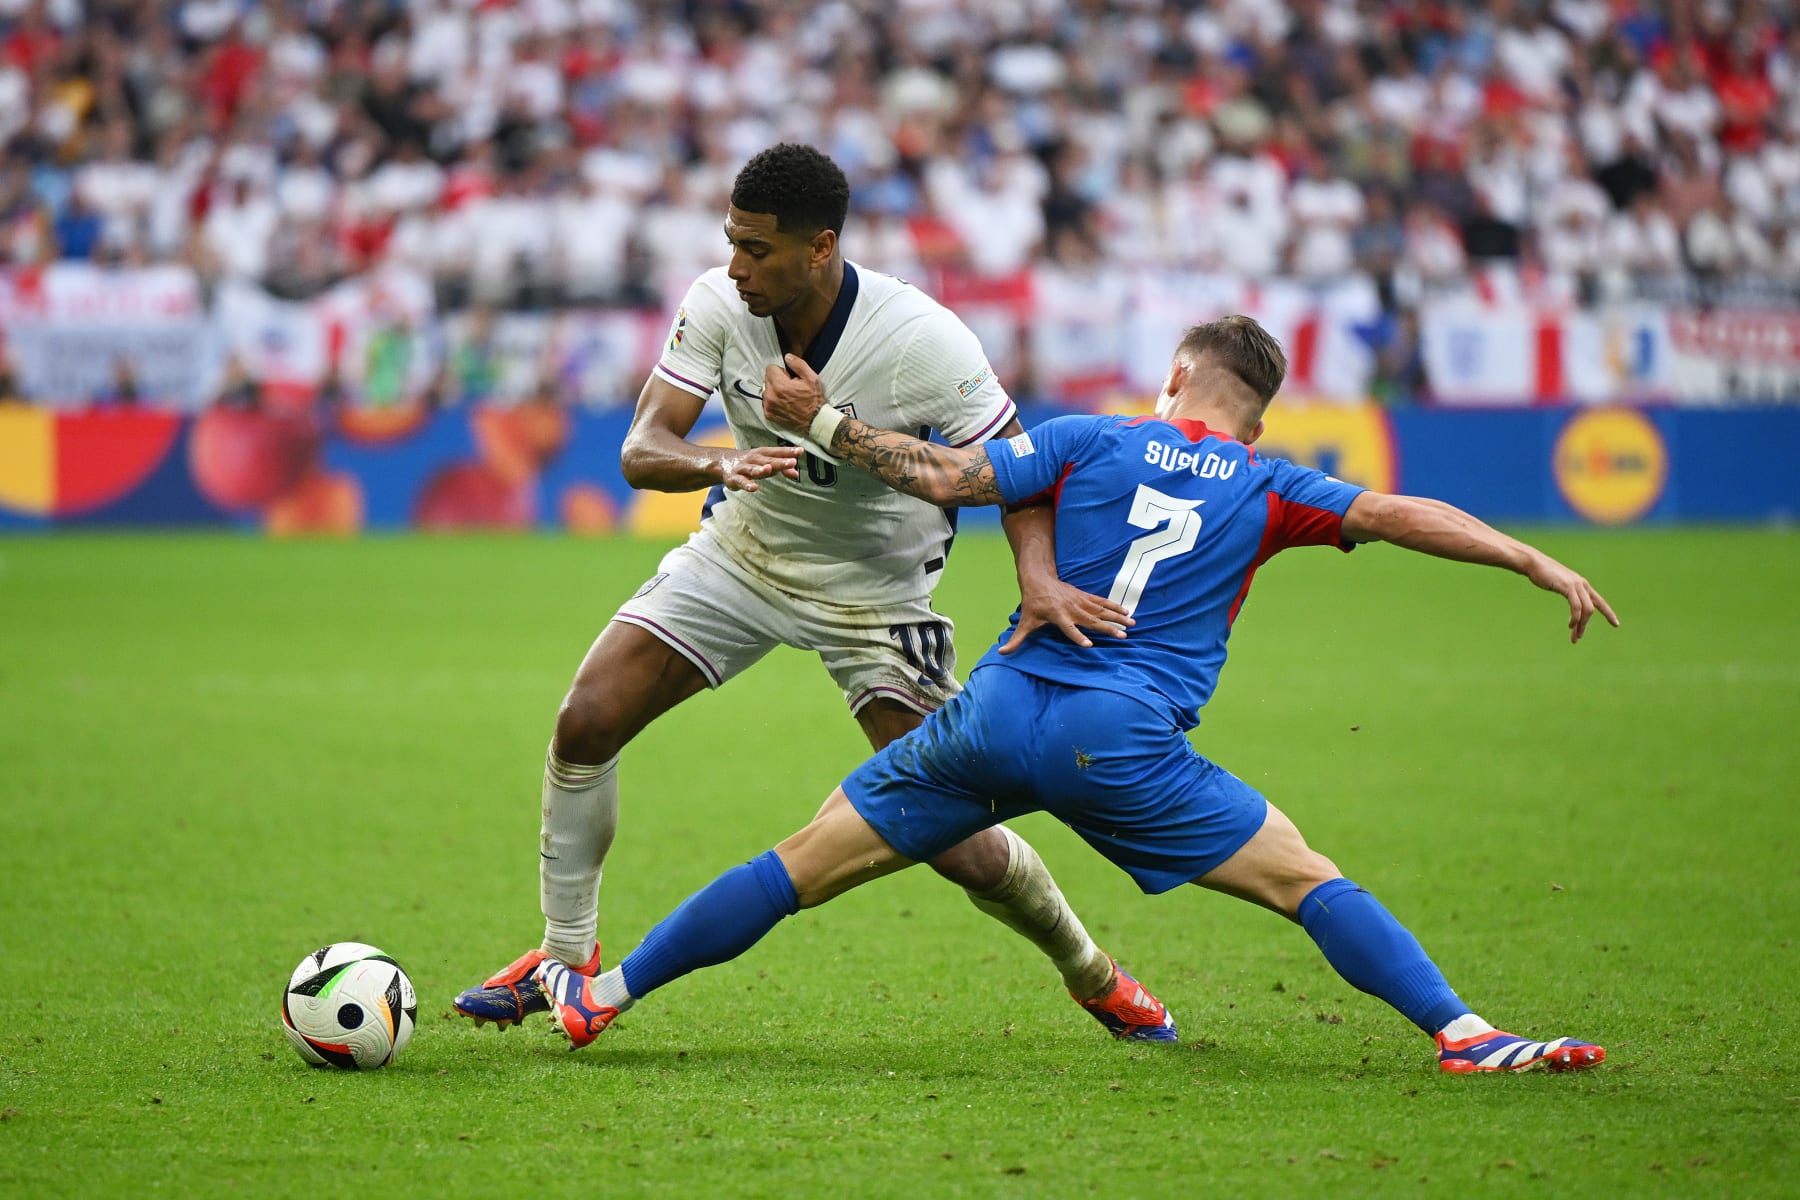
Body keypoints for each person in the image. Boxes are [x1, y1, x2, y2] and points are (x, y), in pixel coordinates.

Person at [534, 315, 1619, 1074]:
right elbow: (1395, 514)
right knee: (1304, 880)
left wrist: (824, 423)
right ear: (1256, 409)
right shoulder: (1276, 482)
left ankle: (604, 995)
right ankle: (1465, 1032)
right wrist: (1528, 559)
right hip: (1122, 741)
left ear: (1181, 375)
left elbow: (947, 478)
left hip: (997, 710)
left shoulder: (1089, 437)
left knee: (801, 861)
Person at [453, 143, 1177, 1042]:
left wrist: (1038, 579)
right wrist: (719, 461)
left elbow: (1017, 470)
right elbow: (643, 447)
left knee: (956, 839)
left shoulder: (921, 338)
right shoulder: (718, 303)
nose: (736, 266)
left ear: (821, 247)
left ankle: (1091, 971)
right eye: (731, 242)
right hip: (742, 555)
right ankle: (565, 956)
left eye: (757, 250)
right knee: (586, 719)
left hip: (877, 597)